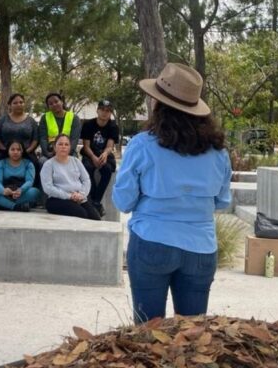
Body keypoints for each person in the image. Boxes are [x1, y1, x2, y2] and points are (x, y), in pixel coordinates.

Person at [112, 63, 231, 326]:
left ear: (159, 104)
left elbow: (123, 201)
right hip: (200, 247)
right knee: (192, 337)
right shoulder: (218, 152)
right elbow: (221, 202)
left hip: (151, 242)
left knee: (148, 333)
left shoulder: (142, 145)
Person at [40, 134, 101, 220]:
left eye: (66, 144)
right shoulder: (49, 165)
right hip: (57, 199)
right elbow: (48, 187)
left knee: (95, 218)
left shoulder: (76, 161)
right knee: (81, 214)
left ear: (69, 147)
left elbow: (86, 180)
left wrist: (82, 195)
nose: (63, 147)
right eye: (60, 144)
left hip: (79, 198)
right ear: (54, 147)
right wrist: (69, 196)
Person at [81, 99, 119, 216]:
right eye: (102, 109)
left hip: (104, 153)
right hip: (90, 152)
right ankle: (94, 201)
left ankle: (96, 201)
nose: (104, 113)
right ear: (97, 110)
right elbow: (86, 146)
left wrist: (105, 154)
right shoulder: (88, 124)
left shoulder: (113, 126)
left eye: (108, 111)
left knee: (107, 170)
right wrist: (93, 157)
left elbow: (110, 146)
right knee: (88, 169)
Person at [0, 140, 41, 211]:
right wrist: (3, 191)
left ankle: (0, 204)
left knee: (35, 192)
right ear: (8, 151)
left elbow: (29, 181)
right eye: (12, 149)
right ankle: (15, 206)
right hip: (4, 192)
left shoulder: (28, 164)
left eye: (18, 149)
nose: (15, 152)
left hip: (20, 193)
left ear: (22, 151)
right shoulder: (1, 163)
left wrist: (21, 190)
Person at [39, 92, 81, 161]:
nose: (54, 104)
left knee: (74, 162)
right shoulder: (45, 118)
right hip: (50, 151)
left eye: (56, 101)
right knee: (42, 161)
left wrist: (65, 153)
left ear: (62, 102)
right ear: (48, 107)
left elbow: (74, 140)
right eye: (50, 104)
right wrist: (47, 154)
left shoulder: (74, 118)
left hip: (68, 151)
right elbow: (43, 139)